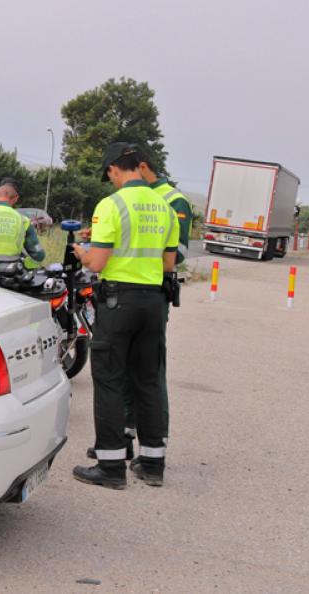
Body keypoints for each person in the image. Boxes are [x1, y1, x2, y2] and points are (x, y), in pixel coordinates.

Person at [71, 142, 178, 489]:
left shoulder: (111, 204)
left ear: (116, 169)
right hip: (153, 303)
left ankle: (111, 465)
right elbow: (167, 264)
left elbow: (98, 263)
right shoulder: (165, 207)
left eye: (109, 174)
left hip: (119, 303)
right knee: (147, 379)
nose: (111, 180)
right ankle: (152, 463)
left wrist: (83, 252)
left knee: (110, 379)